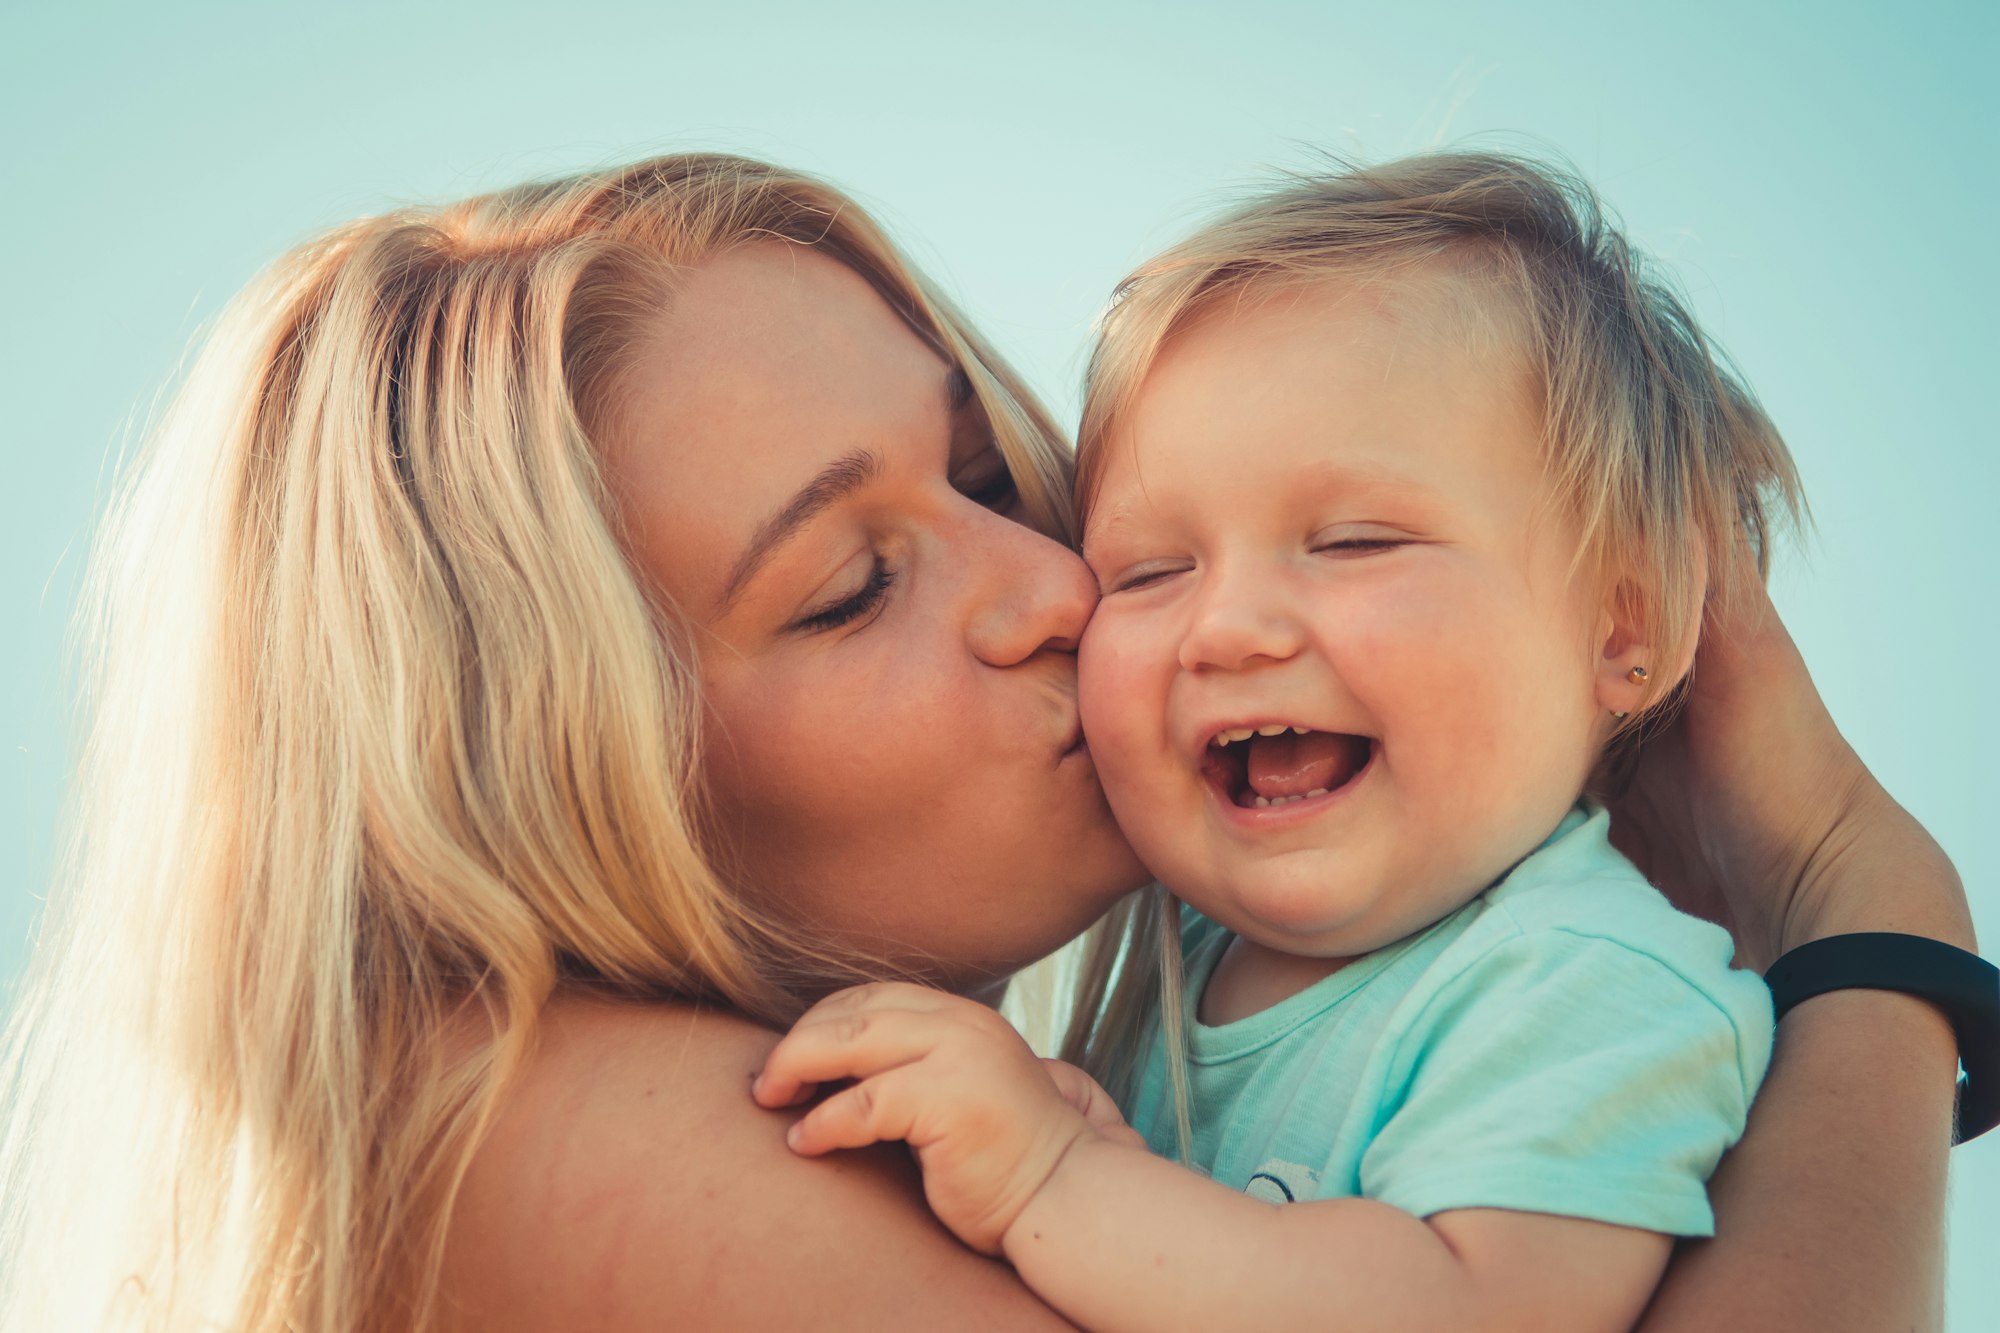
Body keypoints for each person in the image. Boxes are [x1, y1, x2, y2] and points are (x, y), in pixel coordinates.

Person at [0, 153, 1972, 1333]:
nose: (1051, 583)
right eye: (852, 585)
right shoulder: (542, 1120)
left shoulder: (1235, 1017)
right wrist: (1872, 935)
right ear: (545, 780)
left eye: (977, 470)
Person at [751, 152, 1807, 1333]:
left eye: (1353, 542)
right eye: (1149, 571)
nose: (1229, 628)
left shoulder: (1589, 977)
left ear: (1623, 627)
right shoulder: (1174, 952)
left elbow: (1471, 1310)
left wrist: (1054, 1177)